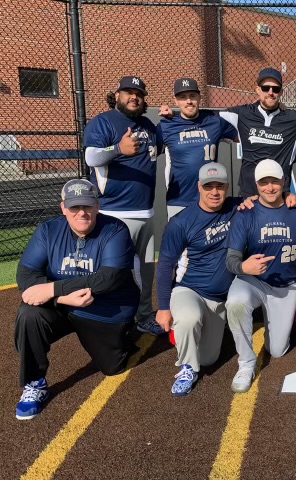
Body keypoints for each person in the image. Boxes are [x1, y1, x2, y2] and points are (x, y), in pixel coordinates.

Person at [14, 179, 139, 420]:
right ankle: (34, 382)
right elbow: (26, 274)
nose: (82, 213)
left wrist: (53, 288)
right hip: (62, 305)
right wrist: (61, 298)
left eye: (87, 206)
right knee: (28, 313)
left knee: (113, 367)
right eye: (74, 207)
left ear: (97, 205)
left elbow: (109, 278)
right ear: (63, 208)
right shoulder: (48, 230)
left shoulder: (115, 230)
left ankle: (125, 336)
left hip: (103, 308)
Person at [184, 67, 296, 199]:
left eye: (276, 88)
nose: (270, 92)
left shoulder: (294, 119)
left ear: (281, 92)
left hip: (279, 193)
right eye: (266, 88)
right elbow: (205, 114)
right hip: (249, 192)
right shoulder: (241, 114)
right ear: (257, 89)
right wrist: (174, 115)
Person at [84, 75, 164, 336]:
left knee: (146, 270)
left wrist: (170, 118)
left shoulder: (148, 125)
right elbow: (90, 157)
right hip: (113, 213)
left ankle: (144, 316)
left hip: (146, 212)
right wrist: (118, 148)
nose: (134, 97)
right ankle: (111, 320)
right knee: (115, 270)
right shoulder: (103, 121)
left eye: (139, 94)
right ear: (117, 95)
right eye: (128, 92)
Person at [224, 159, 296, 393]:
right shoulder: (246, 213)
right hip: (253, 282)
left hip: (285, 285)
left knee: (278, 350)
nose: (269, 187)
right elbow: (231, 260)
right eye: (264, 182)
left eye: (274, 181)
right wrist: (244, 267)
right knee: (236, 302)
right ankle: (246, 363)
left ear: (284, 182)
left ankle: (274, 322)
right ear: (256, 185)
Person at [156, 163, 241, 395]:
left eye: (219, 186)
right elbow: (165, 265)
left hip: (219, 298)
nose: (214, 192)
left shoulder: (237, 206)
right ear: (199, 187)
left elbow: (264, 198)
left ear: (227, 187)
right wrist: (163, 307)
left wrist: (287, 195)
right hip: (189, 289)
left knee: (209, 359)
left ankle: (194, 335)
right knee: (189, 317)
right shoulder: (181, 222)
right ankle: (186, 368)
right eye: (208, 186)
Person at [157, 78, 238, 219]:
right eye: (183, 97)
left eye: (192, 96)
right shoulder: (165, 126)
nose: (188, 101)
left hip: (210, 199)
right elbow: (148, 154)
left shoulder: (214, 122)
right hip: (179, 200)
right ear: (175, 101)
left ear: (199, 97)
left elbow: (243, 138)